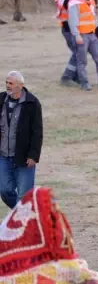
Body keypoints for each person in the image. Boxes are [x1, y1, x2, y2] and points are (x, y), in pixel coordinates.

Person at [0, 71, 43, 209]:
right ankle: (22, 214)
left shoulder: (32, 103)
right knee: (5, 191)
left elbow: (37, 132)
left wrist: (33, 155)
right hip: (3, 156)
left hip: (24, 157)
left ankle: (25, 220)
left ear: (20, 85)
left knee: (25, 195)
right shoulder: (1, 100)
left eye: (11, 83)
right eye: (7, 83)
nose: (8, 86)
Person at [56, 0, 82, 86]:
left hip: (70, 27)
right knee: (78, 53)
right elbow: (67, 5)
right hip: (68, 28)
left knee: (78, 52)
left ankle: (76, 76)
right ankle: (67, 77)